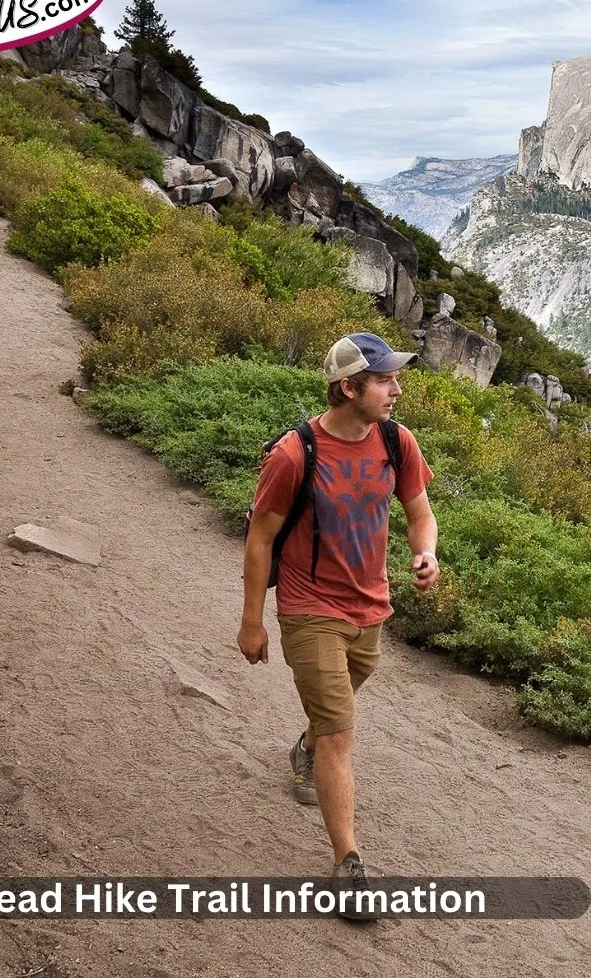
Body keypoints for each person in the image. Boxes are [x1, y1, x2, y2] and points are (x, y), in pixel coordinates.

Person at [237, 332, 439, 917]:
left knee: (334, 716)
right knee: (341, 734)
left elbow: (420, 514)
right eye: (384, 380)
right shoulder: (295, 454)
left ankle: (305, 749)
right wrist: (253, 623)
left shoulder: (398, 443)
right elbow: (260, 540)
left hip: (369, 607)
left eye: (395, 378)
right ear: (349, 388)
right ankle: (348, 865)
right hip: (309, 609)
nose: (396, 389)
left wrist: (427, 554)